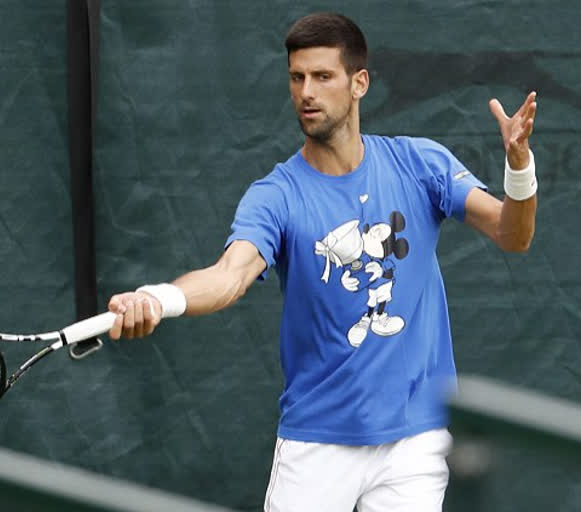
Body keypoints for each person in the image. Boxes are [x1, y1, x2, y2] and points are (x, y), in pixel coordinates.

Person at [106, 12, 538, 512]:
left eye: (322, 77)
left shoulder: (421, 164)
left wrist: (519, 165)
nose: (306, 92)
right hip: (318, 441)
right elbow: (230, 276)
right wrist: (160, 299)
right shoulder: (276, 196)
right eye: (297, 78)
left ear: (359, 83)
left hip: (416, 440)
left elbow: (513, 234)